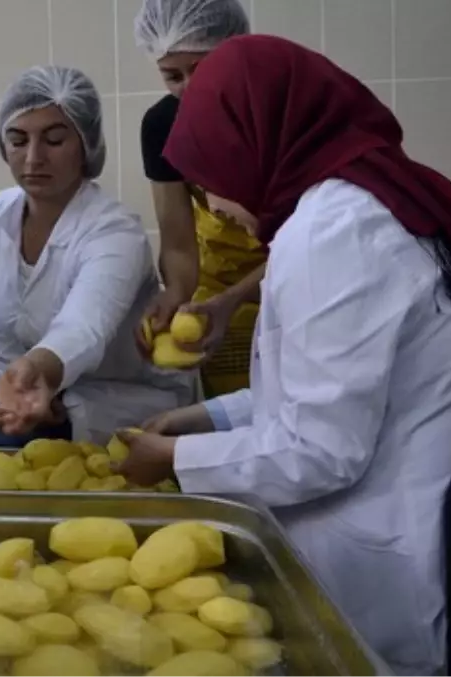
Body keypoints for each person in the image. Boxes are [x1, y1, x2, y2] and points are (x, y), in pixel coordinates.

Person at [115, 35, 451, 675]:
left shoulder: (331, 234)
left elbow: (322, 449)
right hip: (440, 499)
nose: (212, 204)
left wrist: (174, 458)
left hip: (389, 547)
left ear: (258, 140)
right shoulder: (384, 195)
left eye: (211, 175)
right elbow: (336, 385)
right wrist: (203, 421)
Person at [0, 65, 193, 448]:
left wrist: (41, 375)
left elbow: (84, 327)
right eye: (17, 140)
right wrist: (19, 383)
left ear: (86, 145)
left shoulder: (115, 231)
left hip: (119, 396)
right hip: (39, 384)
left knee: (3, 453)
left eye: (54, 140)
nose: (33, 158)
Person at [133, 0, 262, 396]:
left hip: (293, 279)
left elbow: (304, 248)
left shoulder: (272, 115)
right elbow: (177, 242)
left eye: (202, 70)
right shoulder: (162, 126)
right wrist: (175, 292)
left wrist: (235, 299)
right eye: (172, 76)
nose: (190, 88)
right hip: (217, 282)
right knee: (231, 417)